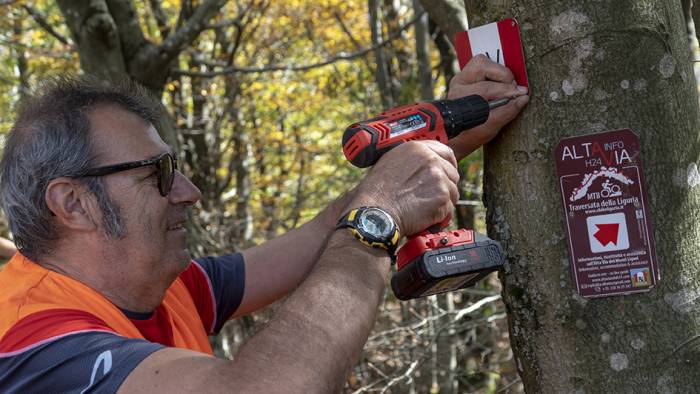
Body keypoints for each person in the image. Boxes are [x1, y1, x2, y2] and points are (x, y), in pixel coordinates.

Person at [0, 55, 528, 393]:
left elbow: (316, 239)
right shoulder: (35, 345)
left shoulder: (161, 284)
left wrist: (438, 144)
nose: (189, 192)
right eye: (156, 174)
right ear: (73, 204)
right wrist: (378, 220)